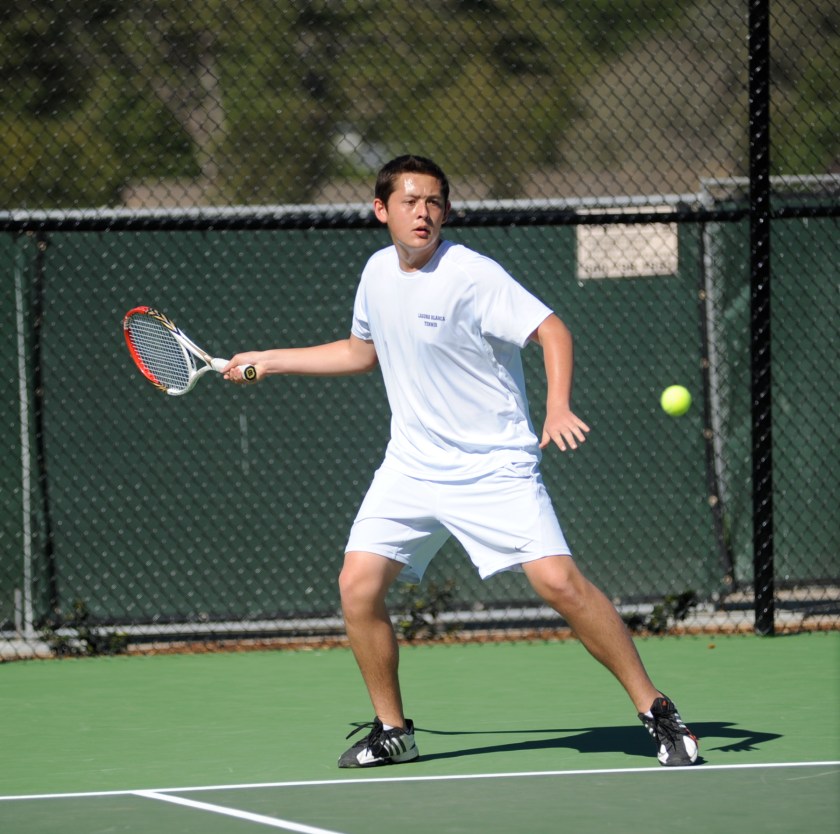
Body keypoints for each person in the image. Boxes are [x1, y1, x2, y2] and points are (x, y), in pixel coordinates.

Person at [223, 154, 699, 769]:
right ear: (381, 210)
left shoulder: (473, 275)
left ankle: (655, 709)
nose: (423, 213)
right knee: (357, 586)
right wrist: (270, 359)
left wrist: (556, 406)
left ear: (446, 211)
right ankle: (393, 730)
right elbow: (361, 351)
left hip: (493, 466)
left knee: (558, 583)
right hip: (411, 466)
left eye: (434, 203)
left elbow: (553, 330)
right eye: (409, 202)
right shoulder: (375, 272)